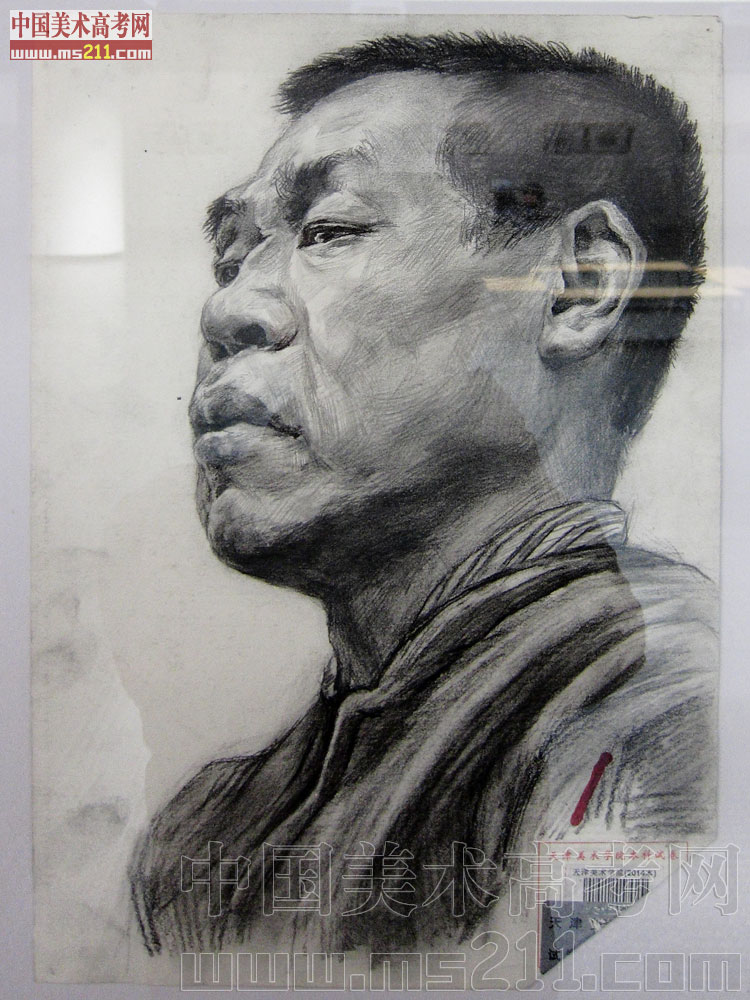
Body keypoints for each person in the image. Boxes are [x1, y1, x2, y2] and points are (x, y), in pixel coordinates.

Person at [130, 32, 717, 957]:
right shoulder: (206, 836)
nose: (229, 307)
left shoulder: (670, 722)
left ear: (580, 284)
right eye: (232, 256)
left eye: (331, 230)